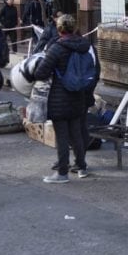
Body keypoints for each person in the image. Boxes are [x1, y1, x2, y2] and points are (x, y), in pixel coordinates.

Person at [32, 14, 99, 183]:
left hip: (59, 98)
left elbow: (41, 73)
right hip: (79, 96)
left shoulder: (56, 48)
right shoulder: (85, 46)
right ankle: (81, 166)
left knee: (62, 136)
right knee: (77, 133)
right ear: (74, 27)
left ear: (59, 29)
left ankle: (62, 173)